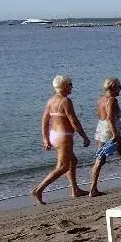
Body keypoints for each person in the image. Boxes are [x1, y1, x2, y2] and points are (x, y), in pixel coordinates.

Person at [33, 75, 90, 204]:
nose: (72, 87)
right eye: (70, 84)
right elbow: (74, 121)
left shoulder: (51, 100)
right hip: (63, 136)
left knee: (73, 160)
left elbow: (45, 120)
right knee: (63, 167)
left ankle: (75, 190)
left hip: (54, 135)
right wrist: (84, 136)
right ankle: (38, 189)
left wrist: (46, 139)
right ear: (64, 86)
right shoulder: (65, 101)